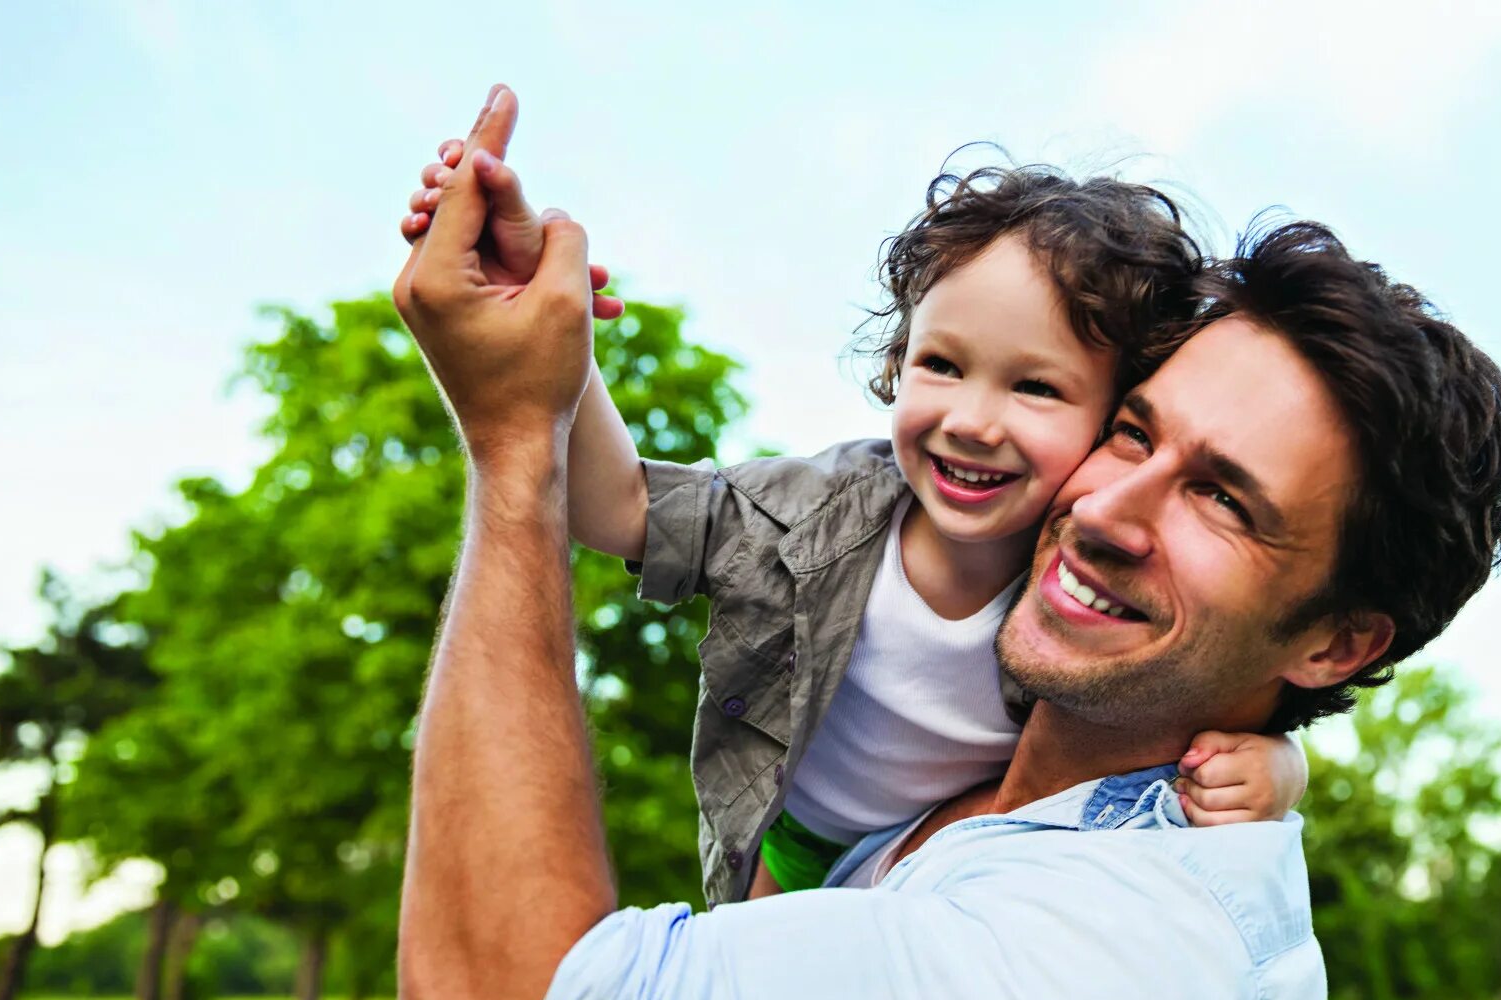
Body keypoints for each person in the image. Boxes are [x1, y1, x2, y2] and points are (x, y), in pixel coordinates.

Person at [393, 88, 1501, 1000]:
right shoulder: (995, 774)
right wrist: (555, 357)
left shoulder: (1123, 973)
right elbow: (635, 506)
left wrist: (513, 432)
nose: (1108, 513)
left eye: (1224, 500)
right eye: (1135, 434)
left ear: (1336, 646)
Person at [399, 86, 1306, 906]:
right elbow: (623, 507)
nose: (973, 420)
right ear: (897, 365)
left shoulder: (1096, 583)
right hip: (788, 846)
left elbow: (1201, 694)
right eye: (942, 366)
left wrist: (1277, 765)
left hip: (955, 861)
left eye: (1036, 388)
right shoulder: (815, 512)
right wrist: (555, 349)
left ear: (1115, 419)